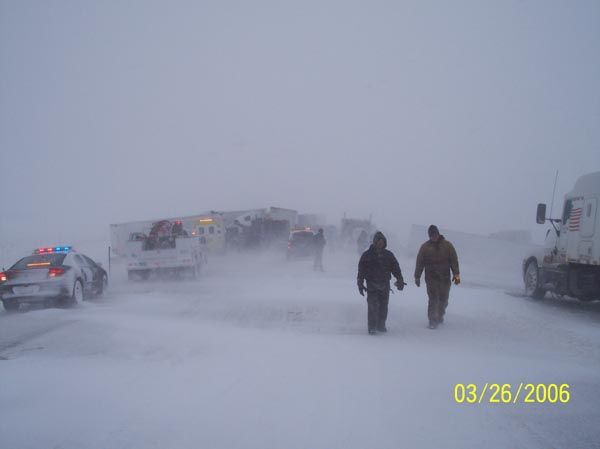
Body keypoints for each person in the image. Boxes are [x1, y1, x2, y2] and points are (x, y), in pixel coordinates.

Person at [357, 231, 405, 334]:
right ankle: (372, 327)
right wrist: (360, 284)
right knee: (373, 306)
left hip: (384, 285)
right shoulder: (367, 255)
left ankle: (381, 325)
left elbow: (396, 268)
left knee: (383, 307)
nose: (380, 243)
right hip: (372, 285)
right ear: (374, 242)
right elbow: (361, 271)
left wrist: (400, 279)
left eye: (382, 241)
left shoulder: (389, 255)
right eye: (378, 241)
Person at [414, 225, 460, 329]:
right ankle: (432, 320)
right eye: (431, 235)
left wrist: (456, 275)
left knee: (444, 299)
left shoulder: (448, 246)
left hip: (444, 277)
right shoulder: (425, 247)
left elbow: (454, 261)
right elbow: (419, 263)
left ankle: (440, 315)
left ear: (438, 234)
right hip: (431, 278)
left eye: (434, 235)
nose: (433, 237)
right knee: (433, 299)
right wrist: (417, 276)